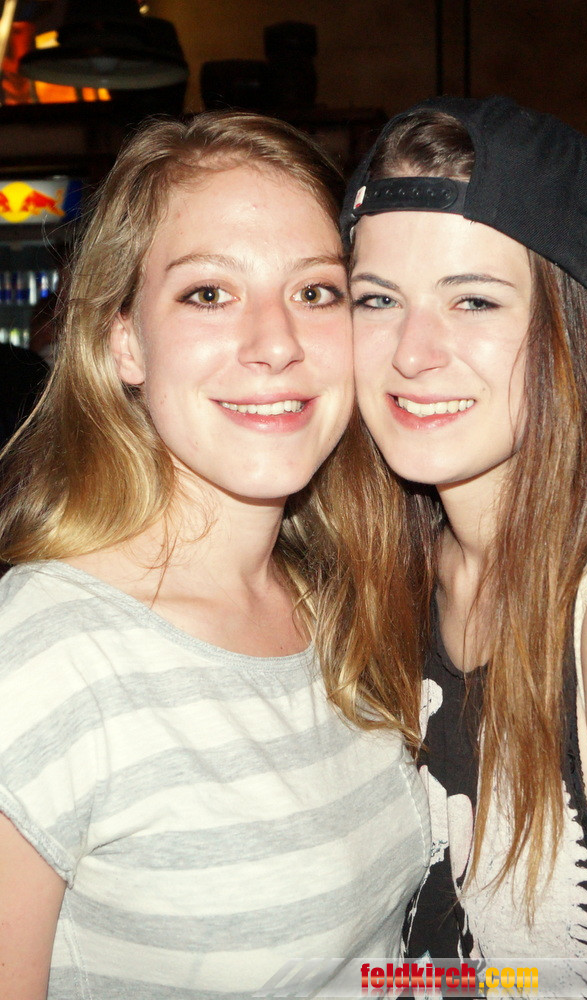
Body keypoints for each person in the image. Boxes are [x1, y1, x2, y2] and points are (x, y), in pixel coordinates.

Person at [0, 111, 430, 1000]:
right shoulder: (45, 656)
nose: (275, 342)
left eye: (315, 291)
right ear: (124, 339)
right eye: (208, 293)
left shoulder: (341, 603)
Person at [342, 95, 587, 996]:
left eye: (473, 300)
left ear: (572, 331)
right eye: (377, 299)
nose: (413, 353)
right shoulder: (394, 571)